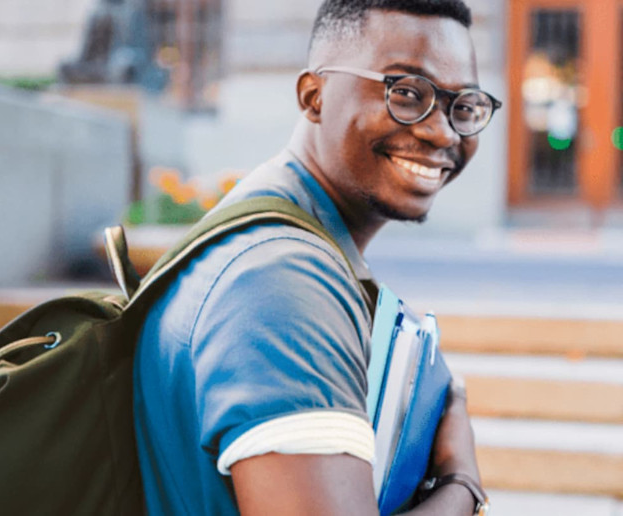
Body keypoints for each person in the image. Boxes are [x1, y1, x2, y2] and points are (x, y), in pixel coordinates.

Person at [133, 0, 501, 514]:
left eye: (463, 106)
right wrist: (462, 484)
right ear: (314, 96)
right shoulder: (282, 285)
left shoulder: (274, 230)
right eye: (406, 93)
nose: (442, 132)